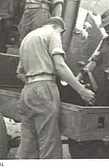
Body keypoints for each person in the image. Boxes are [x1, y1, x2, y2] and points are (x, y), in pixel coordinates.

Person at [16, 17, 95, 159]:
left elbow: (19, 73)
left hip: (27, 91)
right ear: (60, 29)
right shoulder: (53, 33)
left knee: (27, 149)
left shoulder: (28, 37)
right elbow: (60, 66)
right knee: (50, 148)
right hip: (44, 90)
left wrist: (34, 82)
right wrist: (82, 90)